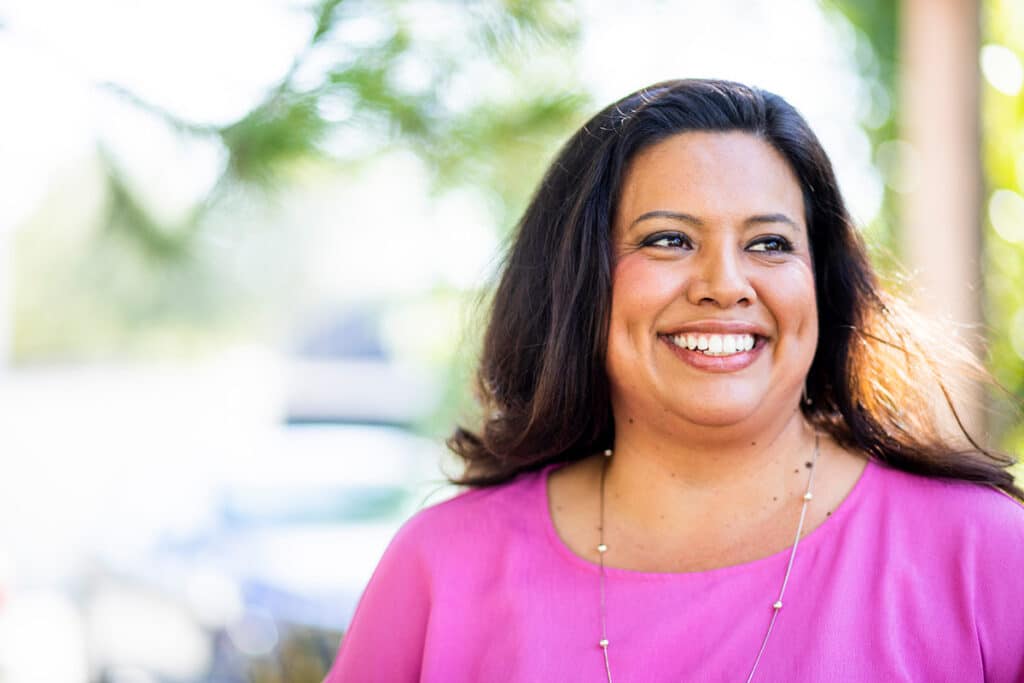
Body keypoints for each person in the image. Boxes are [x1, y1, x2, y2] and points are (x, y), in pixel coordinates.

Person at [326, 79, 1024, 682]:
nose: (725, 284)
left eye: (770, 243)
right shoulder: (441, 569)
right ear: (581, 281)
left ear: (824, 286)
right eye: (669, 239)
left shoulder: (986, 555)